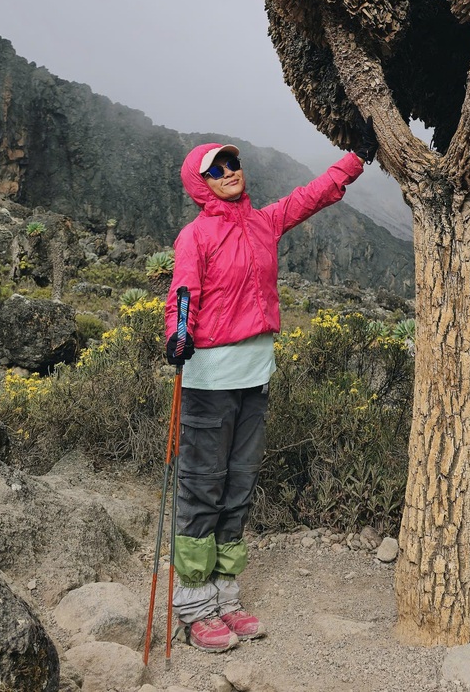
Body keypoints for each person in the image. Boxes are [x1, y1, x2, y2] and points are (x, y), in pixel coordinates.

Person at [163, 121, 377, 651]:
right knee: (202, 484)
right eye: (215, 168)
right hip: (210, 380)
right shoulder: (195, 235)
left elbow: (312, 196)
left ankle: (225, 595)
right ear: (200, 182)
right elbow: (182, 295)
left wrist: (354, 159)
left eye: (231, 163)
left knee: (238, 486)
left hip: (255, 375)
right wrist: (177, 334)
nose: (228, 172)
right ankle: (193, 604)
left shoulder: (264, 223)